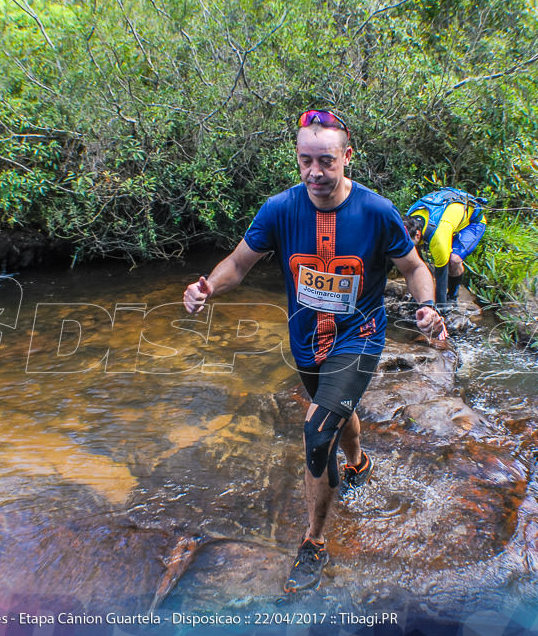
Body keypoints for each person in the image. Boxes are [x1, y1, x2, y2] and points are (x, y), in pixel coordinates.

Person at [182, 109, 445, 593]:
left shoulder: (376, 211)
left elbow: (414, 267)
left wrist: (427, 306)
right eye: (306, 161)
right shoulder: (280, 210)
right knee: (336, 412)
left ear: (347, 157)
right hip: (305, 341)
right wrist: (207, 289)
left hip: (360, 335)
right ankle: (360, 462)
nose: (315, 173)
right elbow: (238, 265)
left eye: (326, 161)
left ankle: (315, 541)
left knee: (316, 428)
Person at [402, 187, 487, 306]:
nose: (405, 247)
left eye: (408, 243)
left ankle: (453, 295)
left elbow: (441, 278)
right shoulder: (408, 221)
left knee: (454, 259)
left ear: (417, 234)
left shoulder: (438, 239)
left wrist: (442, 309)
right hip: (447, 219)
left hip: (472, 223)